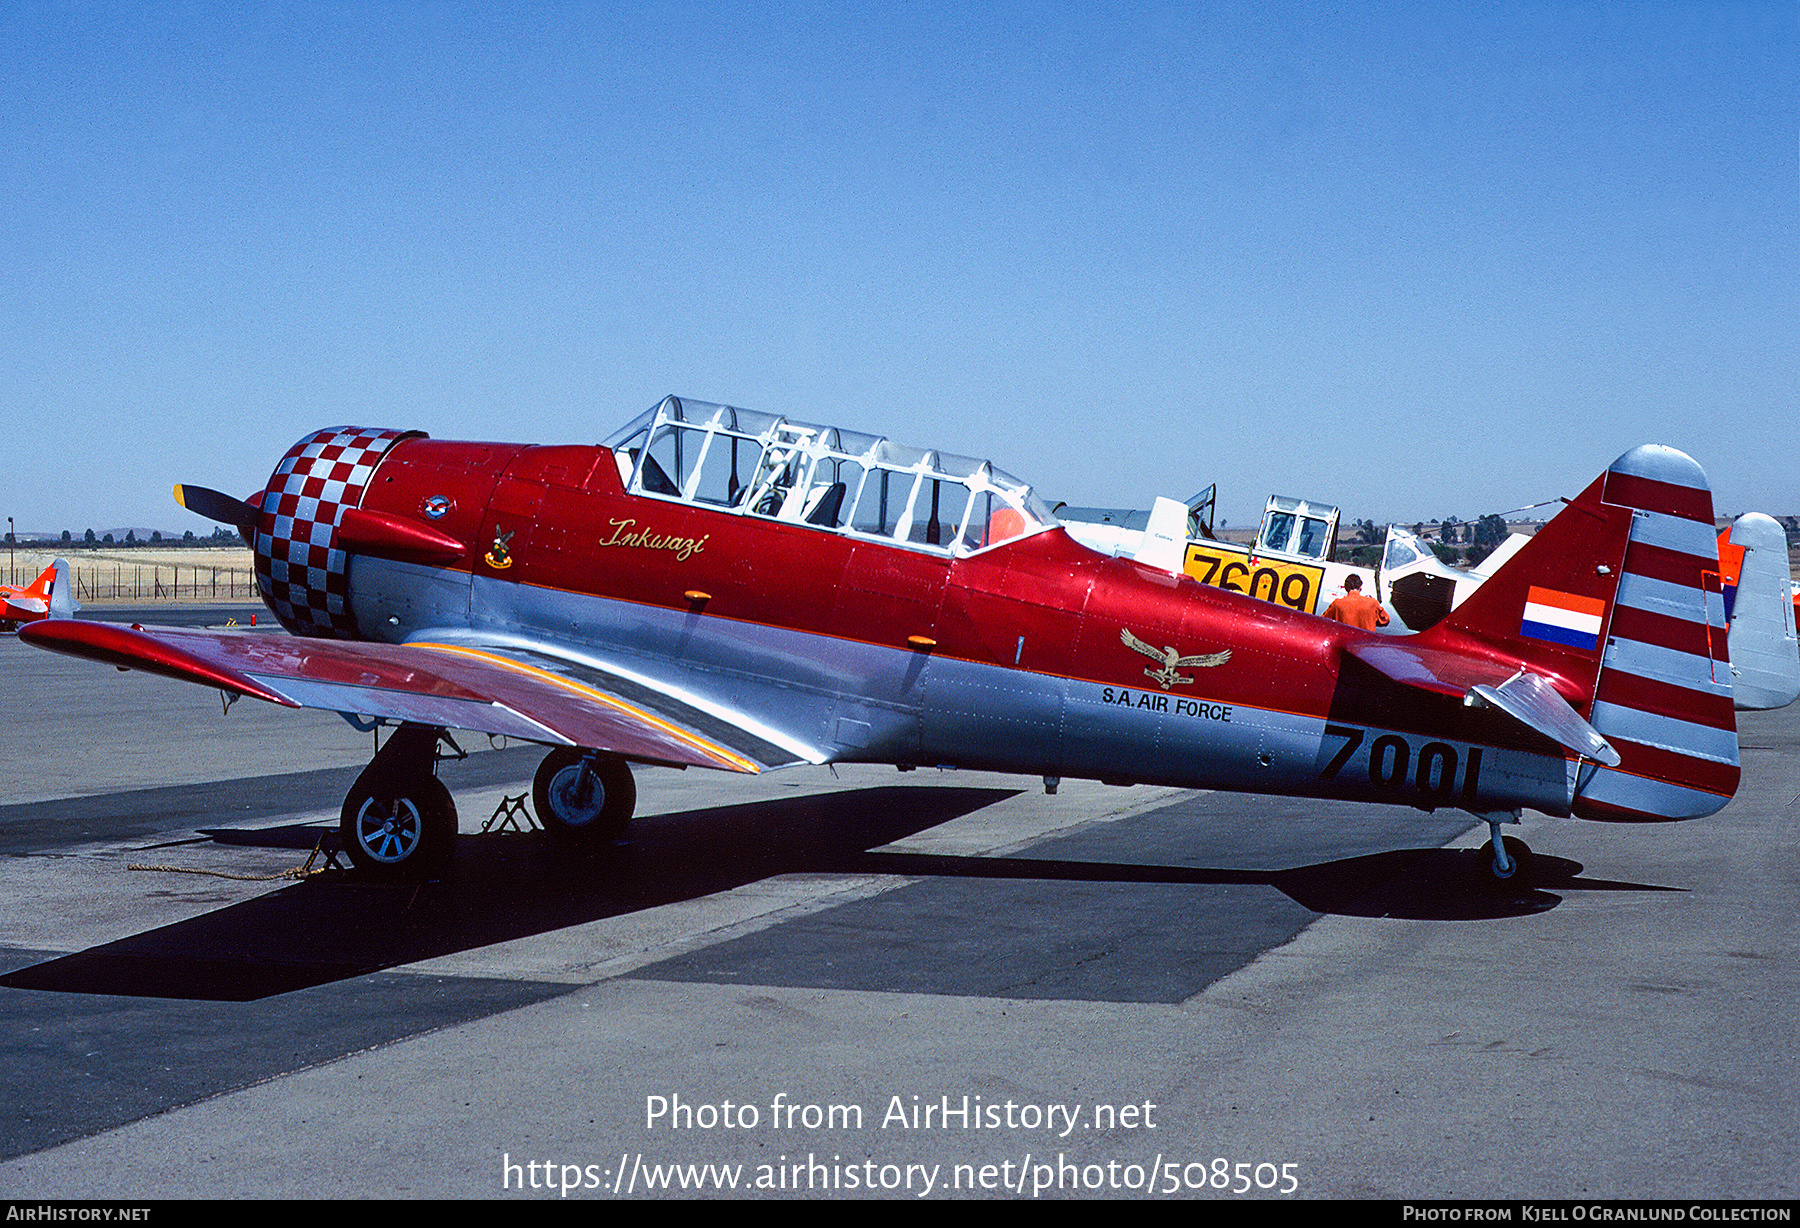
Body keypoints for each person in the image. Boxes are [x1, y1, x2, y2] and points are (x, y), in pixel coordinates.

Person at [1323, 574, 1390, 631]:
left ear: (1346, 588)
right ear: (1360, 587)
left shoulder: (1337, 604)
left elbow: (1323, 621)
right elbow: (1386, 619)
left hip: (1345, 643)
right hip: (1366, 644)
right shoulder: (1372, 603)